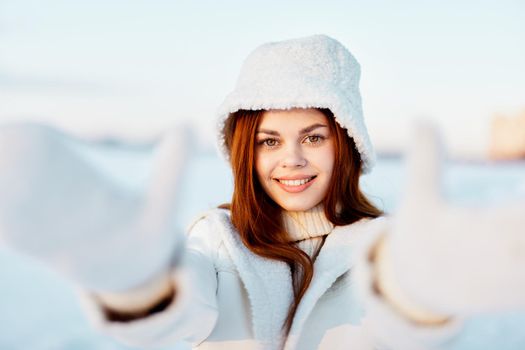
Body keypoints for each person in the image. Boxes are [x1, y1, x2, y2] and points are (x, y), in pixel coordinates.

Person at [0, 35, 524, 350]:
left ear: (347, 146)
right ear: (246, 152)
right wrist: (140, 284)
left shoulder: (388, 251)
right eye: (270, 141)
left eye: (313, 138)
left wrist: (415, 298)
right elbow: (189, 306)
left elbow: (401, 327)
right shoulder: (218, 240)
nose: (290, 159)